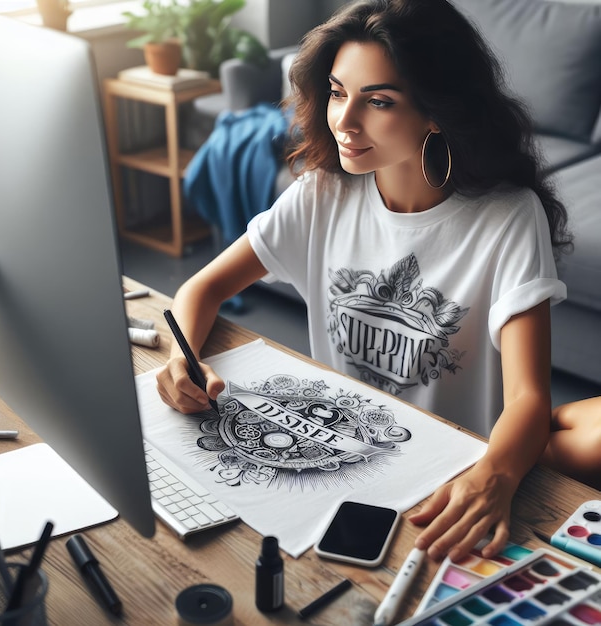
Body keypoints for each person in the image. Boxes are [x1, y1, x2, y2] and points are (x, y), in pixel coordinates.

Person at [157, 0, 593, 562]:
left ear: (437, 111)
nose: (344, 121)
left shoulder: (508, 217)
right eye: (338, 92)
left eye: (378, 101)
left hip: (444, 477)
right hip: (331, 460)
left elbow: (529, 396)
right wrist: (180, 358)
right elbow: (201, 288)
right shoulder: (323, 194)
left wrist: (496, 477)